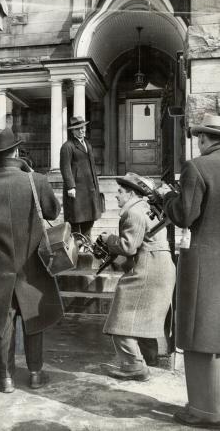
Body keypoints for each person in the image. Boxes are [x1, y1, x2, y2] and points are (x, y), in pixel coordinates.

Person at [0, 128, 63, 393]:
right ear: (16, 152)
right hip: (32, 262)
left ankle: (5, 378)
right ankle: (34, 374)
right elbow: (53, 211)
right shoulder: (37, 180)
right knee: (34, 318)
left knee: (3, 320)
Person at [159, 113, 220, 428]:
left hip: (205, 265)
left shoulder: (197, 167)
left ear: (204, 138)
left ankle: (204, 410)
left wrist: (167, 198)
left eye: (199, 136)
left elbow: (184, 215)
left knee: (199, 336)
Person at [100, 173, 176, 381]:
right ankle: (149, 361)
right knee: (146, 321)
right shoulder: (148, 208)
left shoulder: (133, 213)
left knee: (120, 321)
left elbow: (128, 246)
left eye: (120, 192)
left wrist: (108, 239)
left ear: (131, 193)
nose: (116, 196)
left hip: (147, 269)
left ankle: (134, 366)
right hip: (161, 267)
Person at [60, 115, 102, 238]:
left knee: (90, 218)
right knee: (76, 218)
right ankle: (76, 246)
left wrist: (95, 184)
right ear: (72, 131)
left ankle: (86, 244)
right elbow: (65, 167)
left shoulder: (87, 144)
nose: (82, 131)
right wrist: (70, 186)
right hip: (77, 189)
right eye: (78, 129)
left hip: (89, 188)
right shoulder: (68, 146)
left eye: (83, 128)